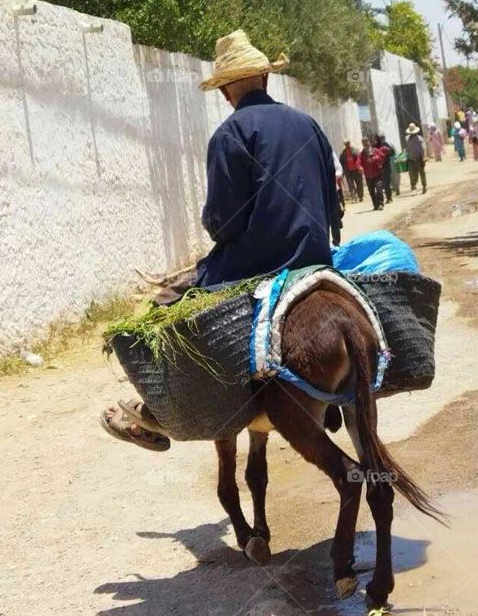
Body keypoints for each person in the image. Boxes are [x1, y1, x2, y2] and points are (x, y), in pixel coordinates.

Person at [100, 29, 339, 449]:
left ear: (227, 90)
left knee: (161, 308)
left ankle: (156, 412)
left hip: (256, 265)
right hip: (318, 259)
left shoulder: (230, 134)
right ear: (265, 79)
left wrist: (216, 225)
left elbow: (224, 224)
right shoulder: (309, 125)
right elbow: (334, 205)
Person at [361, 137, 389, 211]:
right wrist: (359, 167)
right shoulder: (362, 154)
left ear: (369, 142)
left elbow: (382, 156)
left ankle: (380, 204)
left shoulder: (375, 150)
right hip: (368, 176)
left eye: (366, 141)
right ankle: (375, 205)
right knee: (371, 192)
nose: (365, 143)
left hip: (377, 174)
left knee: (379, 189)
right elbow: (358, 162)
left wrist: (375, 158)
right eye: (363, 142)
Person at [404, 123, 427, 194]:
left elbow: (423, 149)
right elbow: (405, 149)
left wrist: (424, 157)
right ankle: (414, 188)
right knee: (412, 174)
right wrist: (405, 156)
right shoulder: (407, 138)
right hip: (411, 159)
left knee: (421, 173)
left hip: (418, 159)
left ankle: (424, 186)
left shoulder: (419, 139)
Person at [375, 133, 396, 203]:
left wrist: (385, 154)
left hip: (386, 166)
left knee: (386, 183)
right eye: (380, 138)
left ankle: (389, 198)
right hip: (378, 168)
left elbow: (392, 153)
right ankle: (381, 200)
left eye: (382, 138)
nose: (381, 139)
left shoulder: (386, 145)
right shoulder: (375, 146)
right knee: (380, 184)